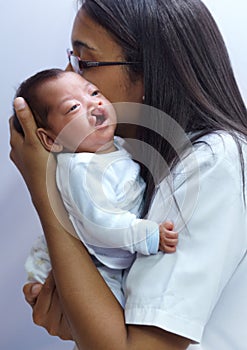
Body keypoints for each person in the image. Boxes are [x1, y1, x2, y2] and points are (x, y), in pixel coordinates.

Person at [9, 0, 247, 349]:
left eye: (85, 62)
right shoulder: (127, 160)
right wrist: (84, 315)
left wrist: (44, 191)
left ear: (152, 71)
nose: (70, 76)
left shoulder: (214, 163)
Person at [13, 68, 178, 308]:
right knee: (108, 309)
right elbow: (101, 223)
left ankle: (43, 279)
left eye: (93, 91)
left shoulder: (113, 145)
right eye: (73, 108)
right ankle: (42, 281)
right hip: (98, 262)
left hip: (108, 249)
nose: (93, 103)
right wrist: (150, 235)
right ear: (52, 140)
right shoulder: (81, 170)